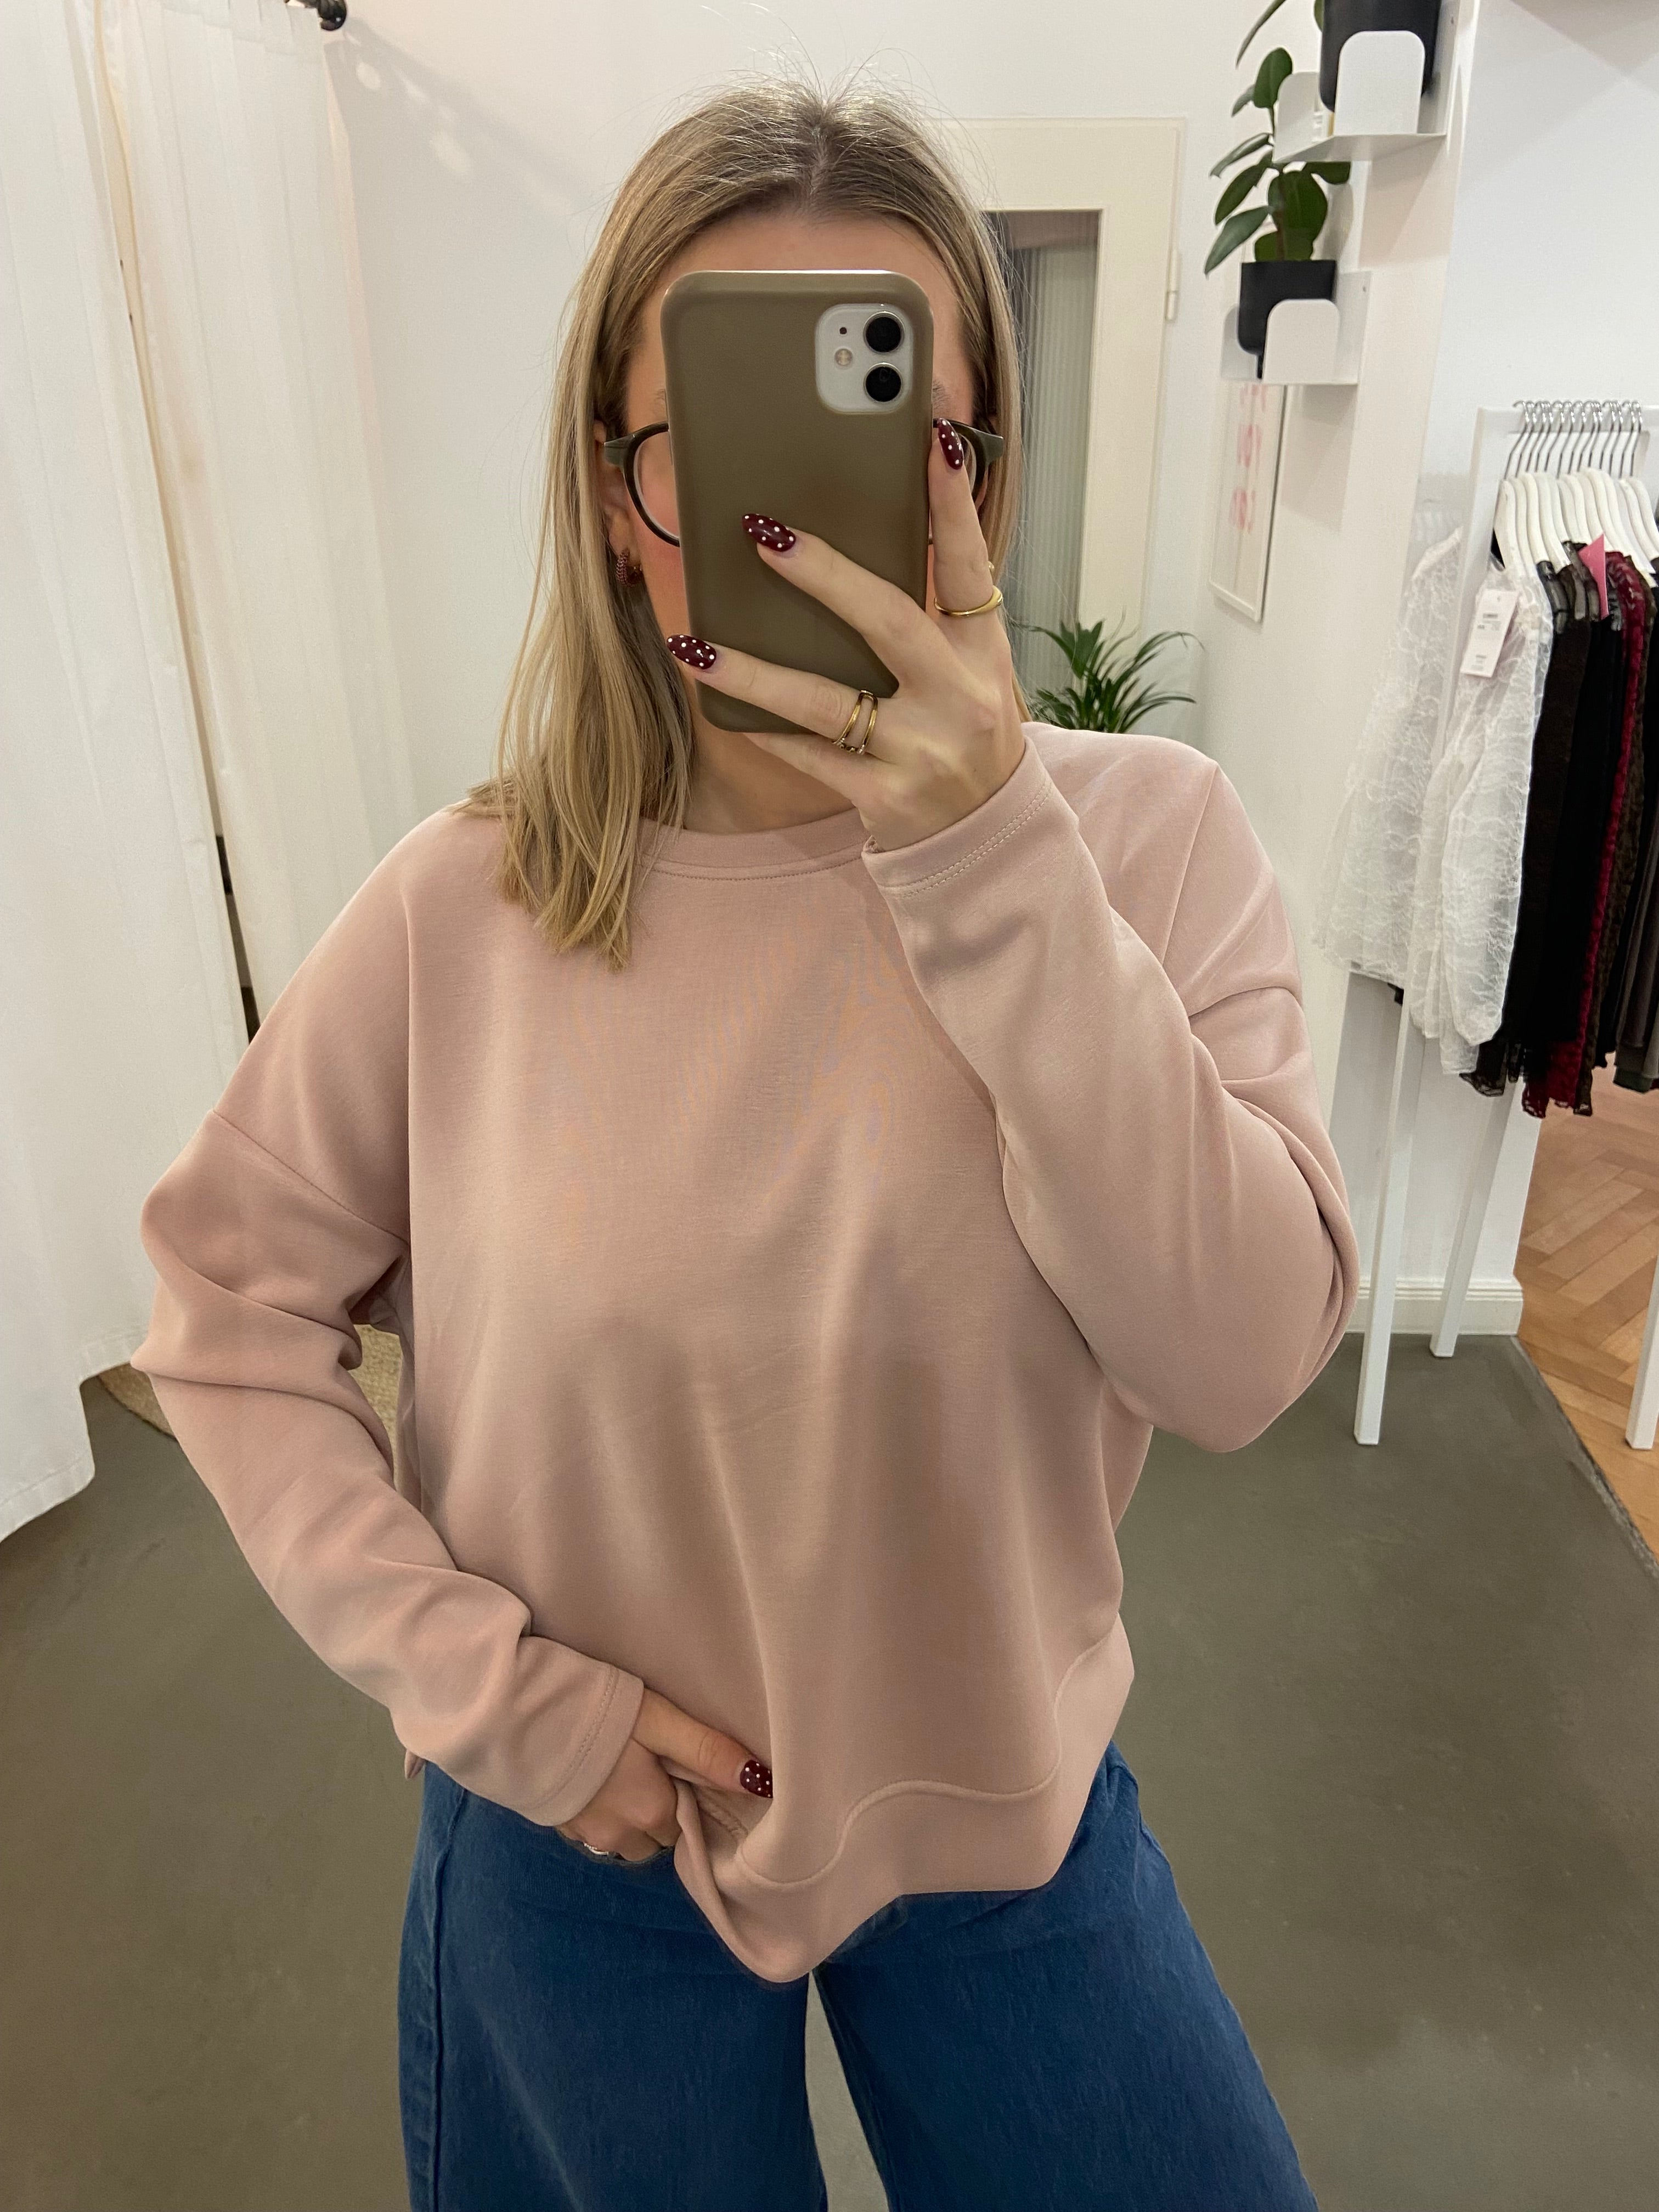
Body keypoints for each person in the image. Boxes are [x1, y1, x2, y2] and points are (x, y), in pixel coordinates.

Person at [132, 70, 1360, 2212]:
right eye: (706, 436)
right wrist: (499, 1701)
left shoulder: (1148, 850)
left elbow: (1240, 1354)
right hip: (583, 1832)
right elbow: (222, 1315)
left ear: (976, 477)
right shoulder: (471, 905)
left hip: (1002, 1802)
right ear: (617, 497)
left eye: (886, 426)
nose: (788, 515)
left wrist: (989, 854)